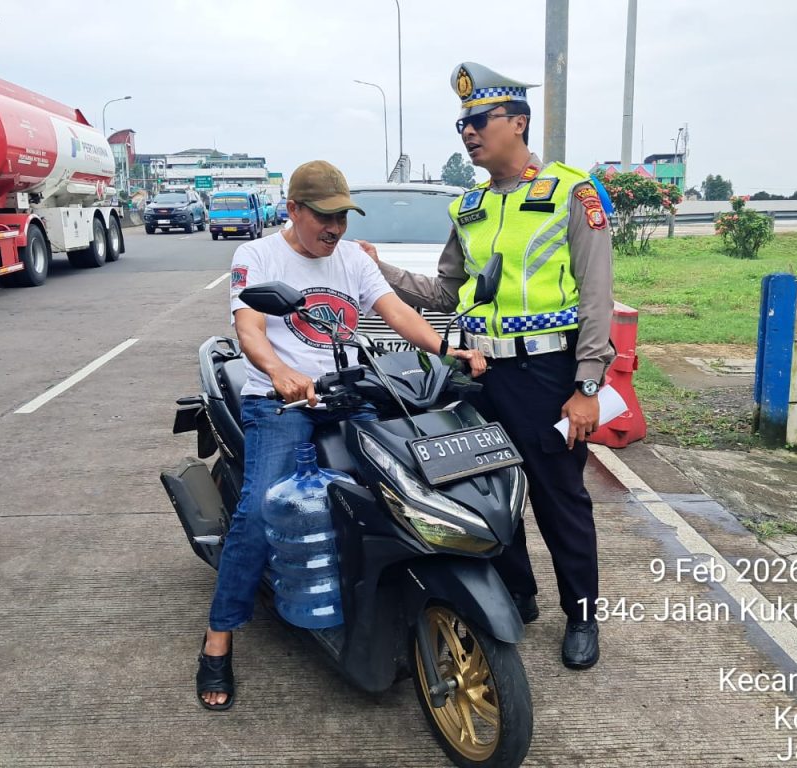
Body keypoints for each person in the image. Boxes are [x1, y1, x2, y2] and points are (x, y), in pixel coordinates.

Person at [197, 160, 486, 710]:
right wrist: (280, 372)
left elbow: (397, 312)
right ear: (293, 210)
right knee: (258, 512)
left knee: (406, 485)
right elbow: (249, 328)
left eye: (342, 218)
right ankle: (219, 636)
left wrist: (448, 351)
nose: (335, 229)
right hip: (281, 401)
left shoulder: (352, 258)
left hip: (349, 394)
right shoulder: (257, 256)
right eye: (324, 218)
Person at [360, 62, 615, 670]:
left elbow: (597, 297)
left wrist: (587, 385)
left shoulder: (570, 193)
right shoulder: (467, 207)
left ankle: (582, 615)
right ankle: (518, 593)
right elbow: (447, 292)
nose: (469, 132)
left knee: (559, 499)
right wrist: (377, 270)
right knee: (488, 491)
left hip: (547, 376)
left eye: (480, 120)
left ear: (518, 122)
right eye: (462, 124)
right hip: (479, 377)